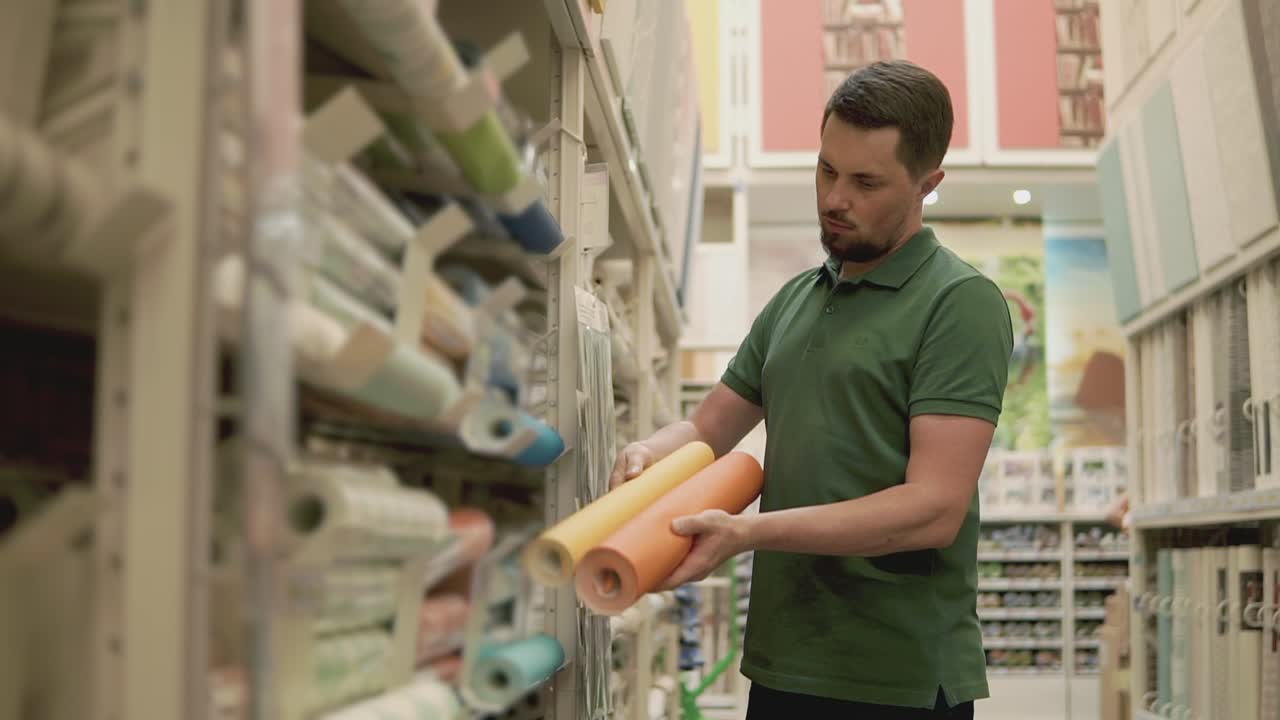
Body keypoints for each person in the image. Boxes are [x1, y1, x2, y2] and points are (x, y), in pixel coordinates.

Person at [608, 60, 1013, 719]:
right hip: (783, 662)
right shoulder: (798, 298)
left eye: (865, 182)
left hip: (894, 678)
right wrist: (651, 453)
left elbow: (934, 508)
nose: (834, 198)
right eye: (826, 170)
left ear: (927, 184)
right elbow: (708, 430)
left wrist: (750, 533)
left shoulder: (960, 303)